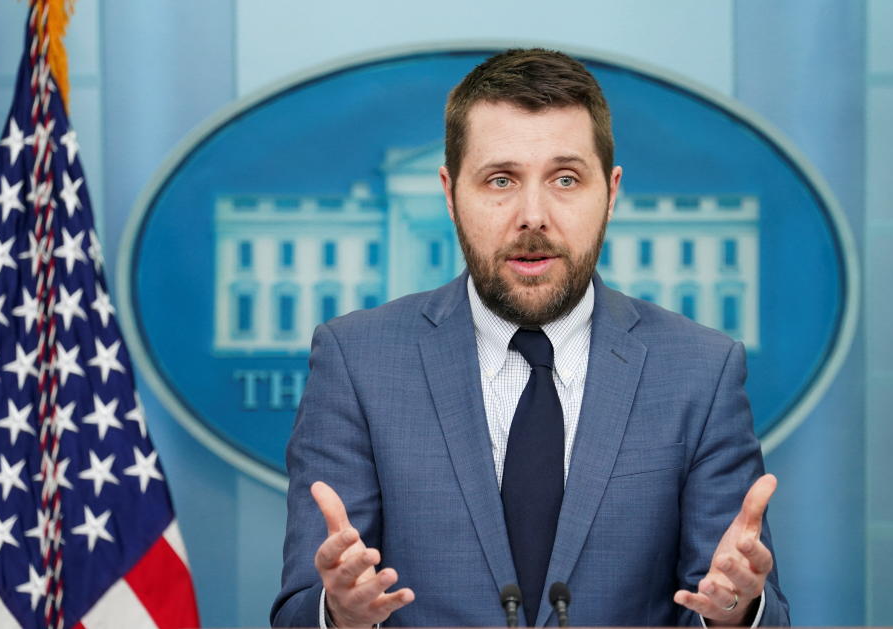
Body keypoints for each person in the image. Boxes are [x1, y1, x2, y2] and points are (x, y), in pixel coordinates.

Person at [271, 48, 789, 628]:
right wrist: (339, 613)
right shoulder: (357, 363)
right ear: (449, 193)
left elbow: (746, 610)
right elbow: (299, 611)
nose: (533, 215)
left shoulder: (701, 371)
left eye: (566, 179)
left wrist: (734, 610)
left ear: (611, 193)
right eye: (500, 179)